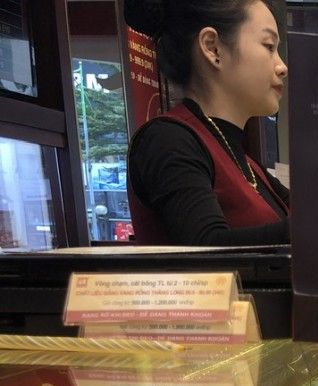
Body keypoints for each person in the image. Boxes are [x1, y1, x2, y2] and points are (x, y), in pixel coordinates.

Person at [123, 0, 290, 246]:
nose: (282, 67)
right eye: (269, 46)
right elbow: (205, 246)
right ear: (212, 48)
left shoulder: (247, 163)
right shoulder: (168, 139)